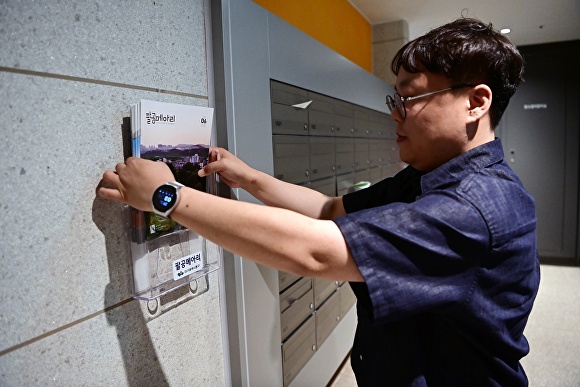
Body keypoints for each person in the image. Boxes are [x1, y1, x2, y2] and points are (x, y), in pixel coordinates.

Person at [98, 17, 539, 386]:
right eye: (396, 98)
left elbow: (316, 250)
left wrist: (166, 196)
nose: (395, 112)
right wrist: (248, 177)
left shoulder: (474, 209)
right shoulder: (425, 179)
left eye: (410, 98)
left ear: (476, 103)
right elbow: (328, 210)